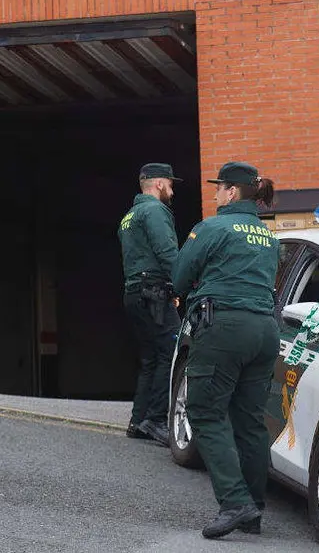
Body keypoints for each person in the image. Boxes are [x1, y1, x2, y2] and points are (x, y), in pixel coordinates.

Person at [171, 161, 279, 538]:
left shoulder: (212, 227)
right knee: (249, 420)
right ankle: (253, 510)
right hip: (266, 331)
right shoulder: (270, 238)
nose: (216, 193)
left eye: (219, 188)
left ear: (232, 192)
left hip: (224, 328)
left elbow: (180, 277)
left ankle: (235, 503)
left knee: (204, 410)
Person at [117, 163, 183, 446]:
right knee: (170, 354)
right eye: (170, 184)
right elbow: (167, 252)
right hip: (154, 294)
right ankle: (156, 421)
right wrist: (184, 282)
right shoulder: (155, 211)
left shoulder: (129, 216)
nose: (172, 190)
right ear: (158, 184)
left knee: (150, 358)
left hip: (135, 293)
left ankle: (138, 421)